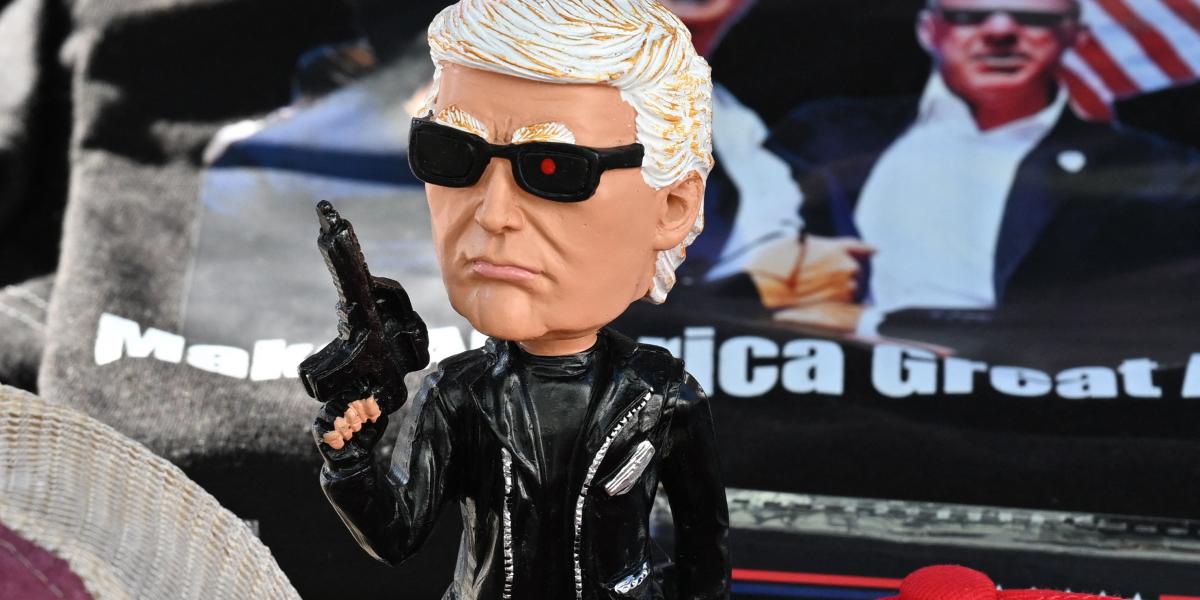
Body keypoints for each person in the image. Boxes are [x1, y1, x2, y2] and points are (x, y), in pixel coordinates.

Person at [308, 1, 731, 599]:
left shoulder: (662, 397)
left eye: (554, 169)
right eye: (453, 152)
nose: (494, 214)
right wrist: (350, 464)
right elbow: (397, 534)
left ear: (672, 206)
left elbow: (703, 549)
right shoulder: (458, 393)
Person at [731, 0, 1200, 336]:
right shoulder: (823, 138)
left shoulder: (1154, 172)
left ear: (1075, 36)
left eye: (1033, 19)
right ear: (929, 30)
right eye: (969, 17)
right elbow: (724, 273)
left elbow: (1149, 320)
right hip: (828, 403)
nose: (1000, 31)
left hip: (1039, 418)